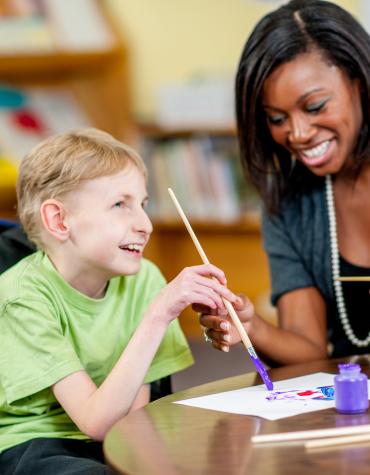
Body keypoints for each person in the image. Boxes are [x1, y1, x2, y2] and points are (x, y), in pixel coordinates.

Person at [0, 128, 240, 474]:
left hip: (116, 432)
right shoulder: (21, 297)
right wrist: (158, 314)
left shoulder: (144, 280)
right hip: (35, 443)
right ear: (59, 220)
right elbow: (95, 422)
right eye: (120, 205)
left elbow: (128, 420)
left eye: (142, 204)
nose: (145, 224)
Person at [198, 0, 370, 363]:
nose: (298, 133)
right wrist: (250, 324)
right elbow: (307, 351)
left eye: (315, 106)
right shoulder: (289, 201)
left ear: (359, 84)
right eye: (277, 119)